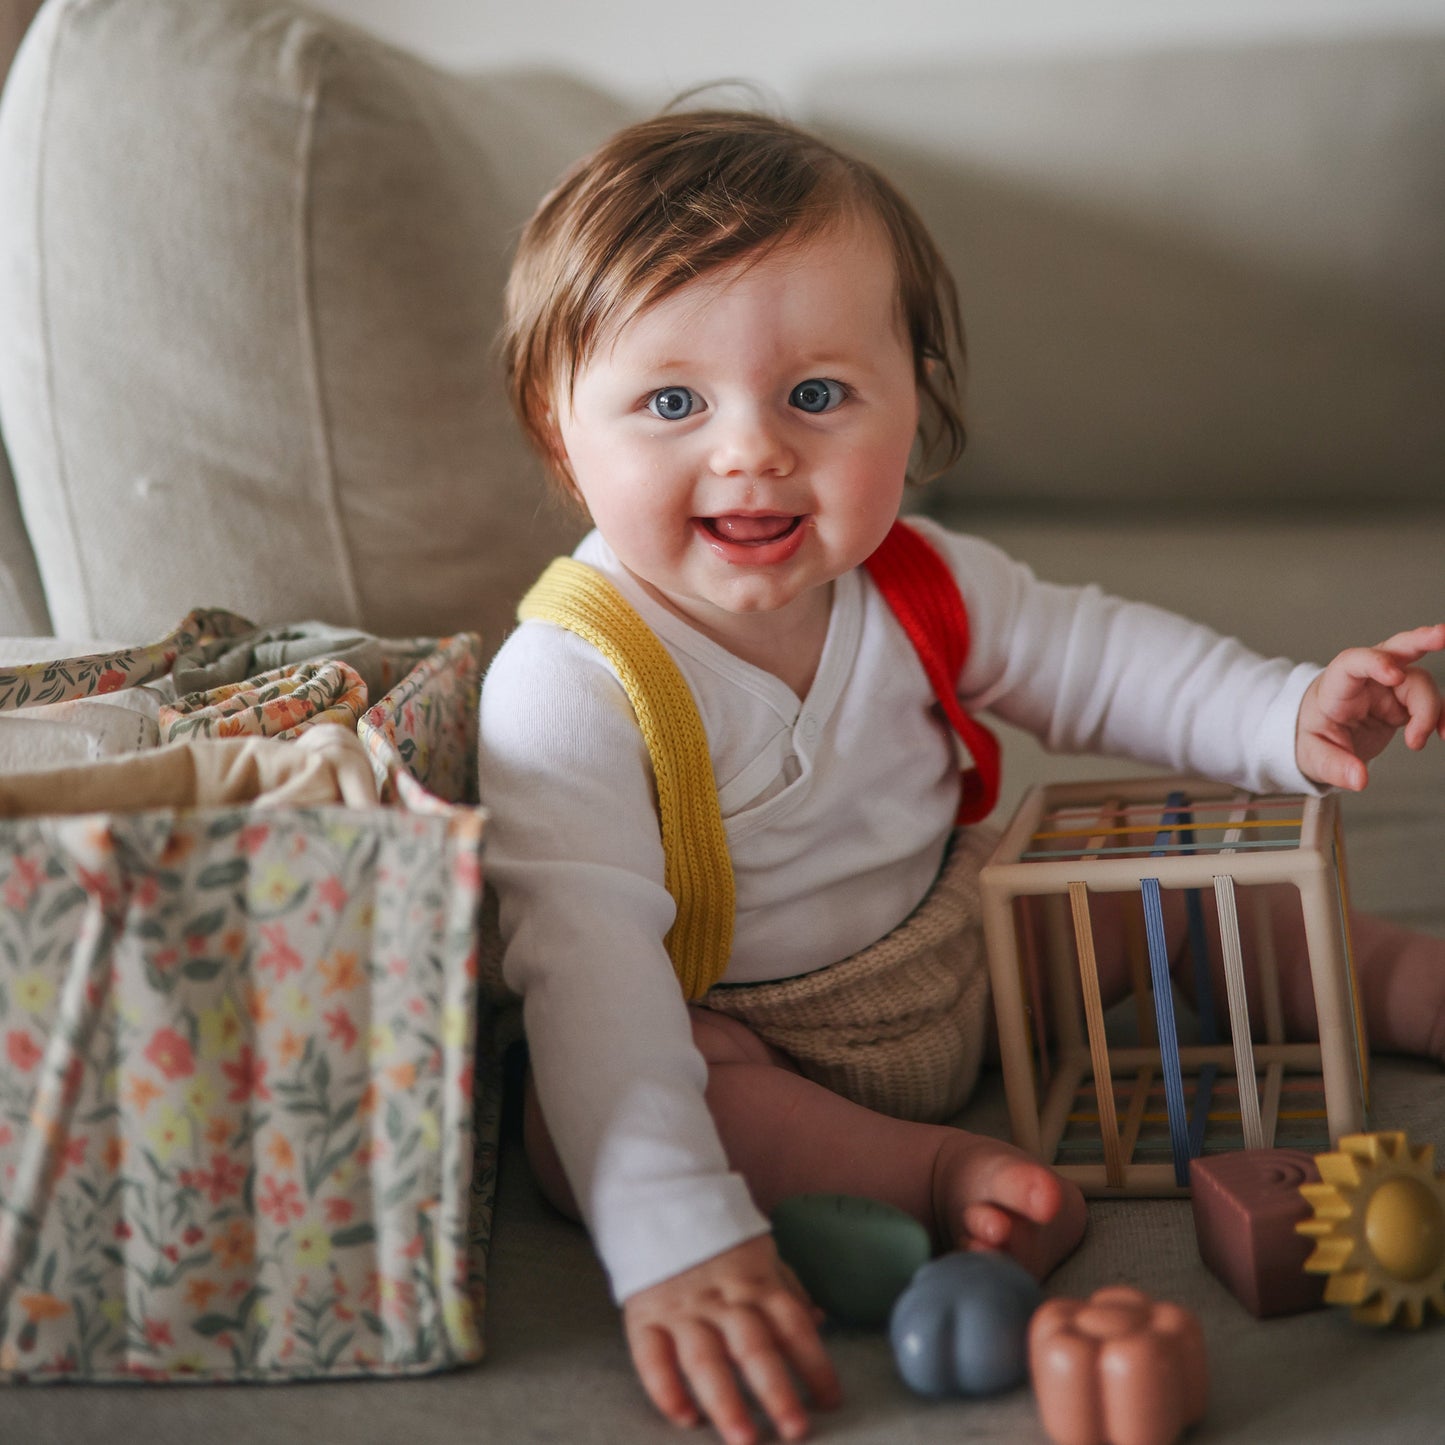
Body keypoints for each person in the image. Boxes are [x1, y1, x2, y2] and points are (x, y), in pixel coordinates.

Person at [479, 106, 1445, 1445]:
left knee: (1160, 886)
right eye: (672, 402)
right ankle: (932, 1174)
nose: (752, 448)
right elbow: (590, 971)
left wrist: (1287, 707)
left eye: (816, 394)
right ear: (558, 424)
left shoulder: (919, 578)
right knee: (629, 1092)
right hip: (755, 1026)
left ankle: (1398, 977)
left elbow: (1102, 659)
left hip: (966, 935)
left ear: (909, 403)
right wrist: (676, 1239)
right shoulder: (568, 679)